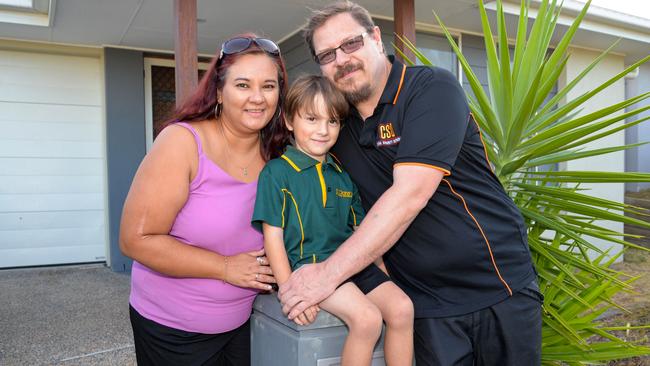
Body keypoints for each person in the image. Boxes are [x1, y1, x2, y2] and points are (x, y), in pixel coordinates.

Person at [278, 2, 543, 366]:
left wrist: (326, 276)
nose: (341, 60)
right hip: (426, 304)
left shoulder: (430, 89)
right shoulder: (335, 129)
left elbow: (409, 195)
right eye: (327, 54)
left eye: (350, 44)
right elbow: (287, 177)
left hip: (497, 288)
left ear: (375, 37)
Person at [119, 34, 291, 365]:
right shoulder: (182, 142)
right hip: (173, 332)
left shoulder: (279, 154)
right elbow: (134, 239)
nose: (257, 98)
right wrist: (225, 267)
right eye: (243, 85)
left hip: (245, 324)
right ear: (218, 92)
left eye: (268, 86)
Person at [252, 75, 414, 366]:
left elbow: (363, 234)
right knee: (367, 319)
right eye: (312, 119)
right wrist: (290, 292)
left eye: (333, 121)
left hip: (351, 263)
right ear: (289, 120)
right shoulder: (276, 173)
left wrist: (384, 276)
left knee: (402, 308)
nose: (323, 130)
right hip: (311, 267)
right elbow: (272, 238)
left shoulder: (342, 174)